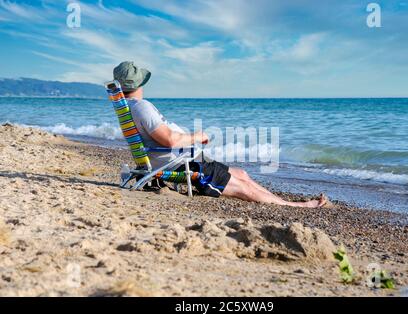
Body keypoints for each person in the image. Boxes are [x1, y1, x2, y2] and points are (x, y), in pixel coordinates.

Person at [113, 61, 327, 208]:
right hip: (182, 164)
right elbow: (169, 140)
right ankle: (295, 206)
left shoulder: (130, 107)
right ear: (139, 83)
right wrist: (197, 136)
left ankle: (283, 201)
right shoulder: (142, 107)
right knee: (242, 188)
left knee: (241, 173)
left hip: (182, 159)